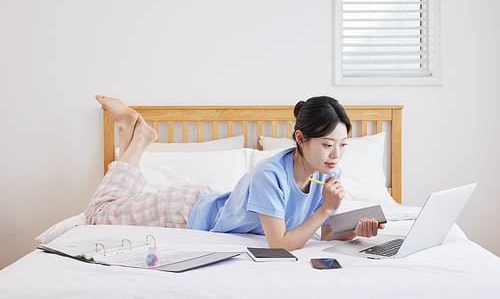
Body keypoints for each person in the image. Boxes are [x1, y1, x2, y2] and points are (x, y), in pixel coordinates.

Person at [85, 95, 384, 251]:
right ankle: (139, 139)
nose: (336, 155)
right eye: (328, 144)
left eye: (343, 145)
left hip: (206, 202)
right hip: (182, 213)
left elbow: (326, 232)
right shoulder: (269, 174)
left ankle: (129, 134)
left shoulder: (329, 171)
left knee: (119, 207)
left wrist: (356, 230)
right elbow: (279, 243)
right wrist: (326, 210)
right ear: (300, 138)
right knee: (98, 215)